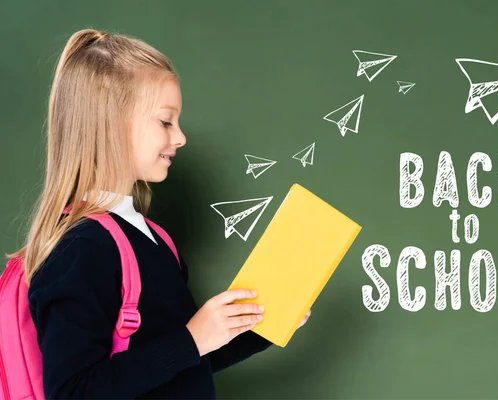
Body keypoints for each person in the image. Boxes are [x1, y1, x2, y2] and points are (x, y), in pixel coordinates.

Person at [5, 28, 311, 399]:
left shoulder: (154, 238)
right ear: (112, 124)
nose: (180, 137)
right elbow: (73, 391)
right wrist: (192, 339)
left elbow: (183, 361)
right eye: (166, 121)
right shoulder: (79, 248)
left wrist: (262, 327)